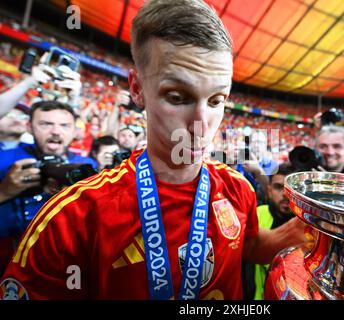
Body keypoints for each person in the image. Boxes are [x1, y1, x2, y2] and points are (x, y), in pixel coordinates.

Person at [0, 0, 308, 300]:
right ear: (136, 89)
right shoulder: (72, 217)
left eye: (216, 100)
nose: (201, 125)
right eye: (177, 97)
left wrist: (300, 231)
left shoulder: (238, 188)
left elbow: (248, 246)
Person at [0, 101, 97, 274]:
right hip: (9, 262)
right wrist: (4, 191)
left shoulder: (86, 165)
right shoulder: (5, 160)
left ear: (75, 131)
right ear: (29, 127)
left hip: (64, 266)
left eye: (65, 125)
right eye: (45, 124)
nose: (56, 131)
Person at [242, 163, 313, 300]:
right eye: (279, 187)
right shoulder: (256, 214)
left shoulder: (312, 227)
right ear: (269, 191)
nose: (285, 194)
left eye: (292, 188)